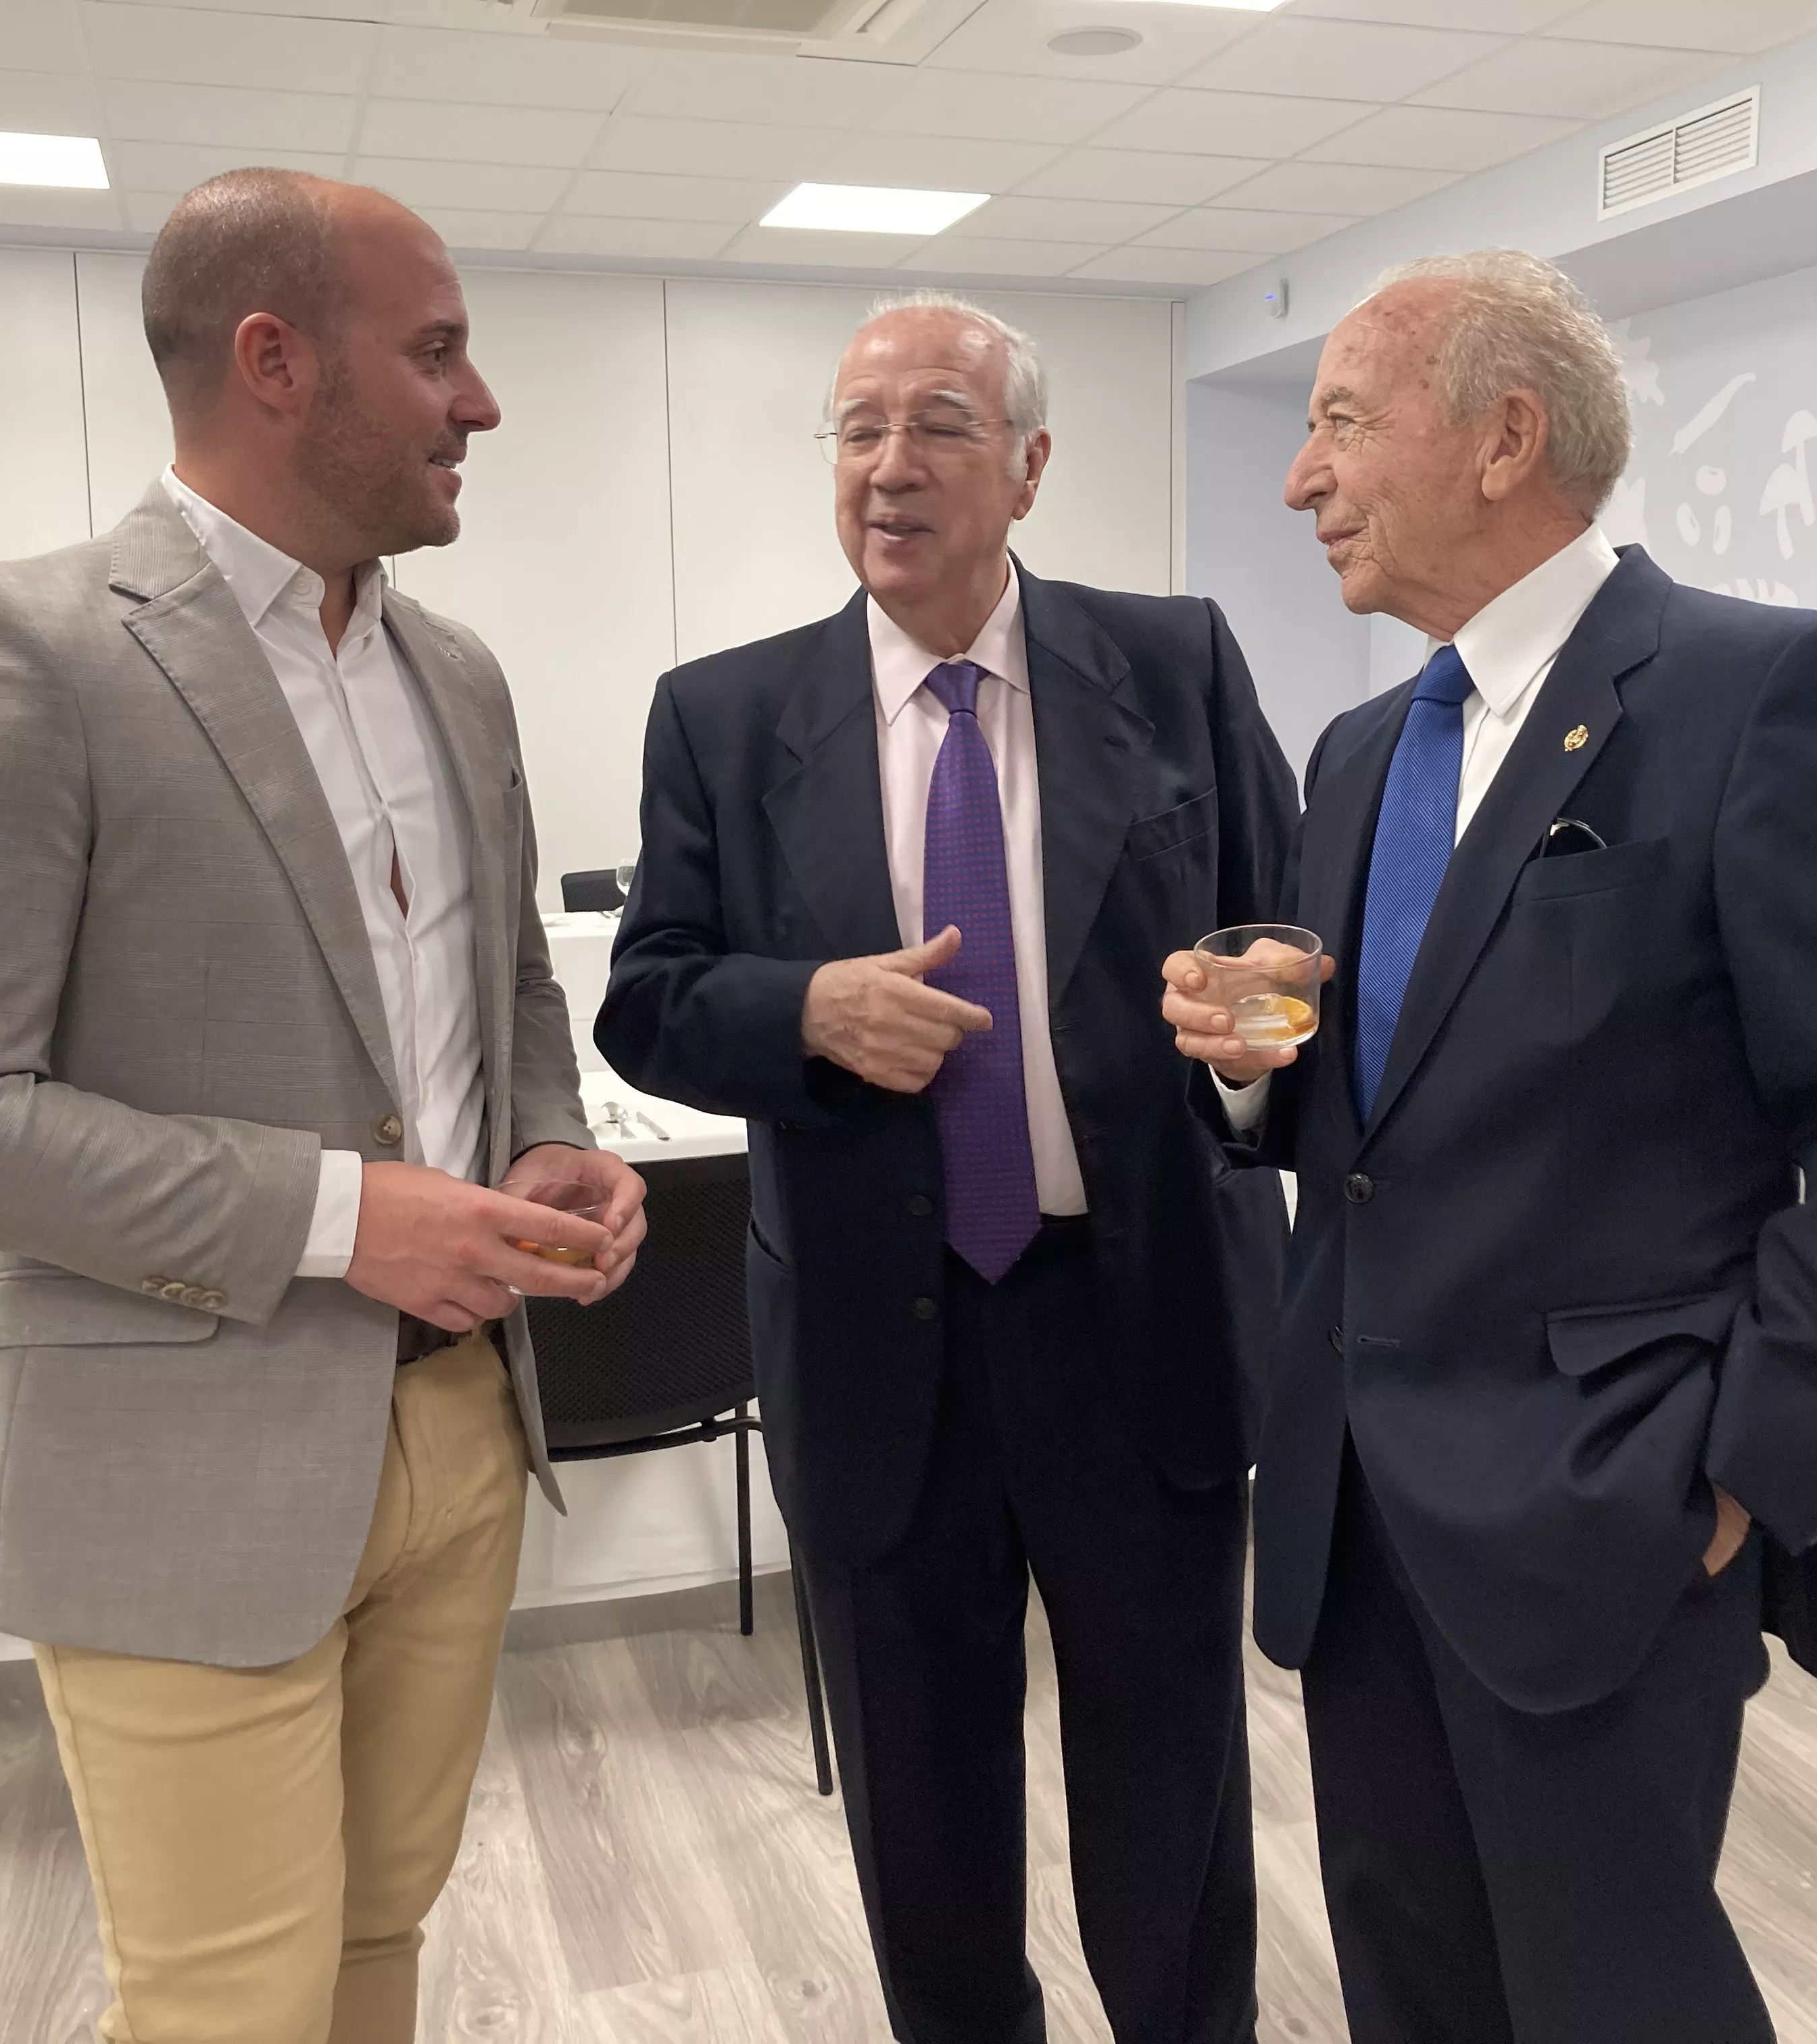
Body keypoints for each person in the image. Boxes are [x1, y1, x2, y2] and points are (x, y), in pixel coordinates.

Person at [0, 169, 647, 2044]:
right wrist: (357, 1217)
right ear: (275, 361)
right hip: (174, 1459)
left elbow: (508, 989)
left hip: (459, 1438)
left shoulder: (462, 674)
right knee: (229, 2010)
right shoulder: (24, 652)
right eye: (438, 353)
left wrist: (541, 1145)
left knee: (377, 1950)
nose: (483, 402)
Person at [1160, 251, 1817, 2043]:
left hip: (1605, 1513)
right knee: (1413, 1981)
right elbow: (1365, 1127)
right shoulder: (1358, 748)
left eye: (1333, 423)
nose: (1299, 477)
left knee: (1617, 1994)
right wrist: (1253, 1067)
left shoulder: (1758, 695)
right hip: (1355, 1508)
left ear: (1502, 440)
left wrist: (1738, 1473)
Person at [597, 291, 1297, 2044]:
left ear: (1032, 468)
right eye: (858, 429)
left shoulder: (1179, 665)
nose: (889, 467)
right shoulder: (728, 717)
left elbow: (1291, 946)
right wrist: (805, 1009)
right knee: (921, 1808)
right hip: (872, 1342)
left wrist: (1262, 1025)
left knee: (1173, 1785)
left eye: (939, 427)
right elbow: (648, 1005)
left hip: (1135, 1324)